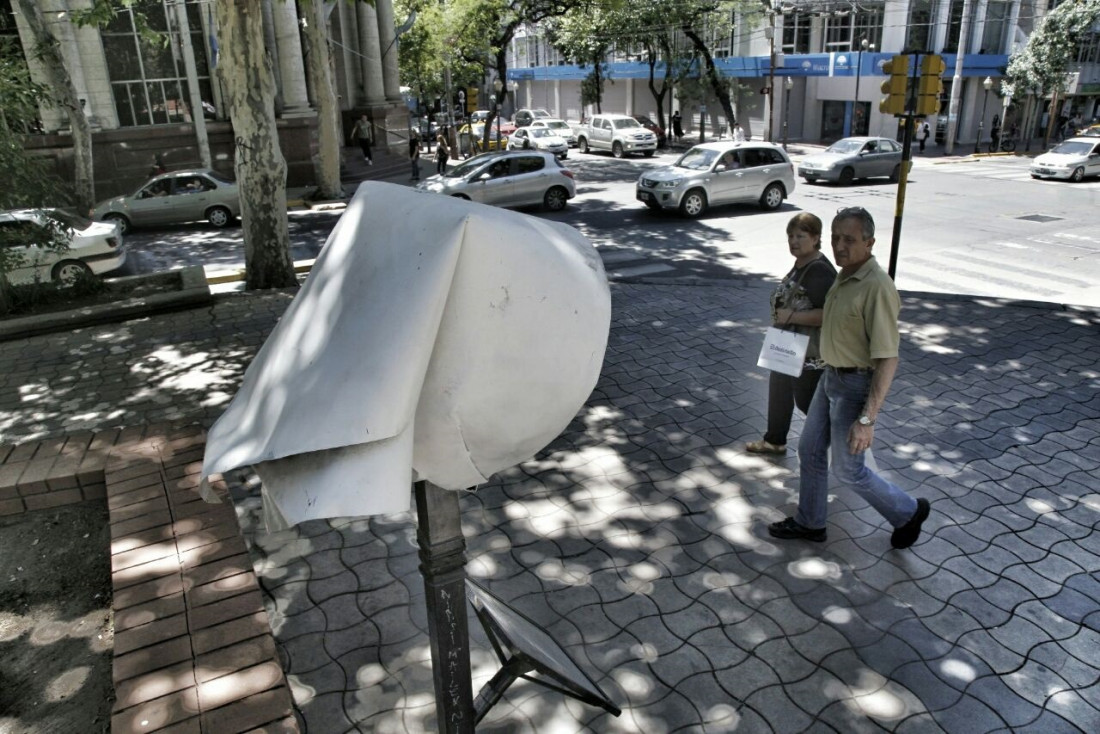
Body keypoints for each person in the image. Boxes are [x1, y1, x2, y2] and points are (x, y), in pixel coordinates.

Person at [769, 206, 930, 549]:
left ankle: (908, 512)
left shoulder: (876, 287)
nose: (840, 246)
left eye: (850, 240)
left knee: (849, 470)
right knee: (809, 450)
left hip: (855, 385)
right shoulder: (844, 275)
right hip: (831, 378)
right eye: (836, 238)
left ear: (870, 243)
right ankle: (811, 522)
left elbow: (888, 357)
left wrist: (868, 419)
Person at [747, 213, 837, 456]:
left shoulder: (819, 270)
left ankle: (845, 441)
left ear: (816, 238)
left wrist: (791, 317)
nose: (794, 241)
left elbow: (830, 314)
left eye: (801, 236)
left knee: (807, 401)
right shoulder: (803, 263)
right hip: (788, 343)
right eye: (790, 236)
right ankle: (774, 440)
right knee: (780, 392)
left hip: (807, 350)